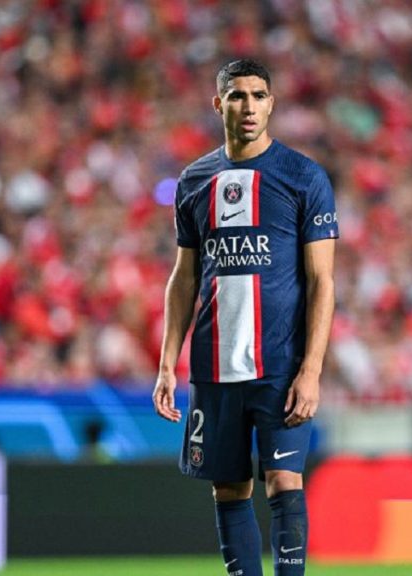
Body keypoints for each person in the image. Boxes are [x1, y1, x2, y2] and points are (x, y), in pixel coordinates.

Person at [152, 59, 338, 576]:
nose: (248, 106)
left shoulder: (303, 177)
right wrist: (167, 364)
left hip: (280, 364)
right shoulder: (195, 181)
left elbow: (322, 281)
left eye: (258, 95)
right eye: (237, 96)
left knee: (284, 480)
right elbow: (184, 278)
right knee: (229, 488)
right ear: (219, 105)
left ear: (271, 104)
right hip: (215, 367)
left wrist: (311, 369)